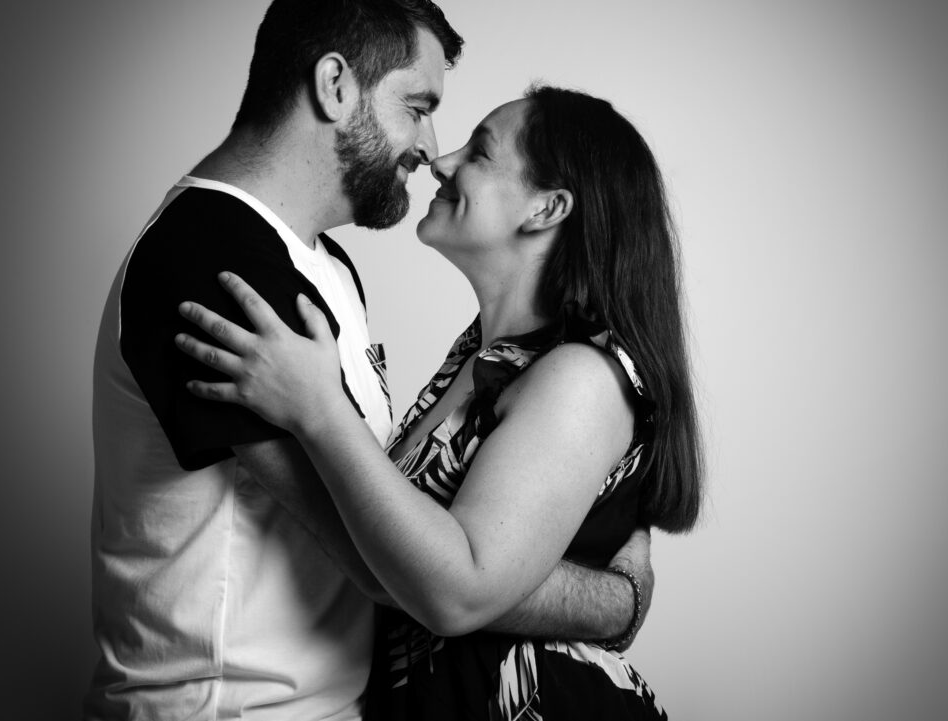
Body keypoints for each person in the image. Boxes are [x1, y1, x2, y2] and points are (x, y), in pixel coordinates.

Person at [88, 2, 650, 719]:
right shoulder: (209, 256)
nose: (429, 147)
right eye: (417, 107)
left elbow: (396, 511)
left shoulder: (330, 270)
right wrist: (609, 599)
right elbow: (392, 565)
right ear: (335, 86)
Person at [174, 85, 703, 719]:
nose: (441, 160)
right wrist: (617, 600)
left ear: (547, 208)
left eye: (479, 152)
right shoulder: (482, 356)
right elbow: (399, 550)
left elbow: (456, 590)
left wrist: (317, 408)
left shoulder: (580, 378)